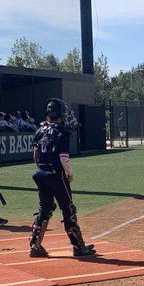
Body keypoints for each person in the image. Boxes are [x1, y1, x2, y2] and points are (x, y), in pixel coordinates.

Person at [28, 98, 96, 258]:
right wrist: (69, 175)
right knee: (68, 209)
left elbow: (35, 156)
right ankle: (79, 247)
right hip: (56, 175)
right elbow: (64, 159)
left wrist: (42, 169)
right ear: (59, 113)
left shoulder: (40, 130)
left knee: (45, 210)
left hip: (40, 174)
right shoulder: (61, 132)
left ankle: (34, 245)